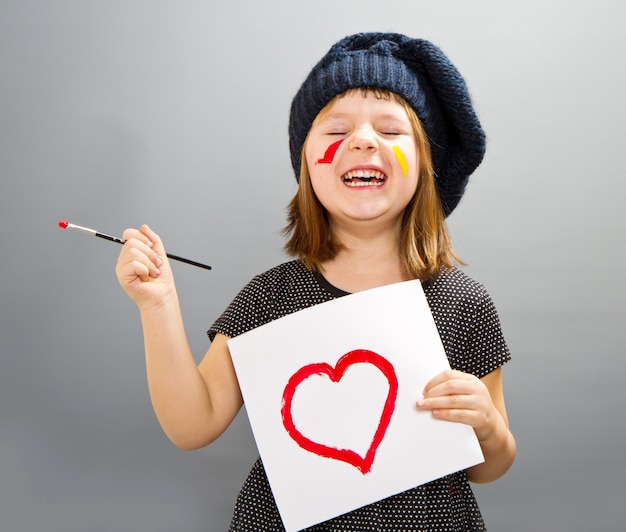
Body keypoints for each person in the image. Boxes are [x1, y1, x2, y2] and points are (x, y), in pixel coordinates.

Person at [116, 32, 516, 531]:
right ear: (306, 165)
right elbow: (193, 424)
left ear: (425, 167)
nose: (363, 140)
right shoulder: (270, 297)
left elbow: (491, 466)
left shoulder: (463, 303)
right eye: (335, 131)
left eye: (391, 130)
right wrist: (158, 306)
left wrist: (487, 426)